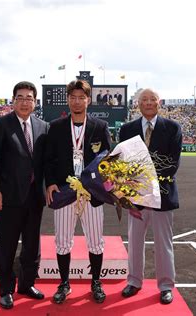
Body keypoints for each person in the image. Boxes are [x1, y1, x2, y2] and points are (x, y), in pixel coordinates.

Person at [45, 79, 112, 304]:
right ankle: (64, 283)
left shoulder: (100, 127)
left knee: (95, 241)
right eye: (72, 97)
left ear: (88, 100)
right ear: (67, 100)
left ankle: (96, 282)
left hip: (91, 194)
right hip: (65, 192)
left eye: (81, 97)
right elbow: (49, 160)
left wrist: (105, 187)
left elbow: (108, 160)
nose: (77, 101)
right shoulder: (55, 127)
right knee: (62, 241)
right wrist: (51, 182)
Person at [0, 81, 49, 310]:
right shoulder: (2, 124)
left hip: (35, 199)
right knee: (6, 245)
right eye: (20, 97)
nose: (25, 102)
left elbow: (46, 163)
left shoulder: (43, 126)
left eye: (29, 98)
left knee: (32, 246)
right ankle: (5, 290)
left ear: (35, 102)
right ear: (13, 100)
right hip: (9, 197)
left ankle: (26, 285)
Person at [119, 88, 182, 305]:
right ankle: (134, 281)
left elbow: (172, 164)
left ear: (159, 102)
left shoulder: (173, 128)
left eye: (152, 99)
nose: (148, 103)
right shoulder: (127, 129)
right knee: (135, 241)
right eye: (143, 100)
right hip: (135, 197)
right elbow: (122, 164)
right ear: (137, 104)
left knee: (163, 243)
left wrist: (146, 184)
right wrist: (132, 191)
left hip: (162, 196)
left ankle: (166, 285)